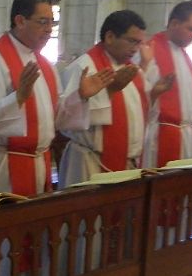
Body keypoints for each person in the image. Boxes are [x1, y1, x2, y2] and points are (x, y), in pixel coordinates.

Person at [0, 0, 113, 197]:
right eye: (43, 22)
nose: (49, 30)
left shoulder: (44, 64)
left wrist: (80, 96)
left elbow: (56, 118)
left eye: (52, 22)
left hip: (39, 163)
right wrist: (17, 98)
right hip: (3, 168)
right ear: (20, 21)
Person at [58, 10, 164, 188]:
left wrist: (153, 95)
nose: (135, 49)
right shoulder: (84, 67)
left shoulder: (133, 70)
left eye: (139, 43)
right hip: (91, 163)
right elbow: (65, 120)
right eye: (131, 41)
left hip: (127, 164)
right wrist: (110, 92)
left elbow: (140, 112)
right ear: (109, 37)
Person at [143, 1, 192, 168]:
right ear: (174, 24)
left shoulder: (182, 53)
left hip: (186, 135)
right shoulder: (150, 51)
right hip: (161, 134)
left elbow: (189, 89)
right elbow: (140, 94)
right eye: (191, 29)